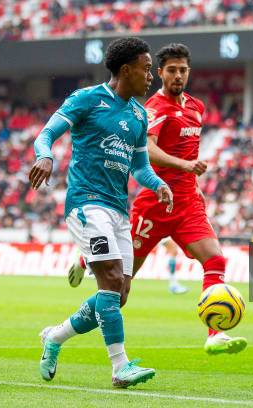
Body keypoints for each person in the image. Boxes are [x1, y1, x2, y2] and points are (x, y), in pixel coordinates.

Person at [69, 43, 248, 355]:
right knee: (120, 290)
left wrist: (193, 183)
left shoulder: (196, 107)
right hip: (153, 204)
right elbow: (147, 151)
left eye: (183, 70)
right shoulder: (153, 108)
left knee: (216, 259)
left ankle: (214, 333)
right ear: (161, 73)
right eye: (171, 70)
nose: (178, 75)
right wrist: (184, 166)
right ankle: (86, 259)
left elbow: (187, 153)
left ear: (188, 72)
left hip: (187, 204)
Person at [29, 37, 173, 387]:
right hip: (86, 203)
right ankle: (120, 367)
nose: (151, 76)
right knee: (109, 279)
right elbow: (46, 134)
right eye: (146, 68)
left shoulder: (139, 115)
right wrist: (45, 155)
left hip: (118, 211)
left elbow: (139, 167)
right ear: (126, 70)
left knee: (118, 294)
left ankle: (55, 336)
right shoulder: (87, 99)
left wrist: (157, 185)